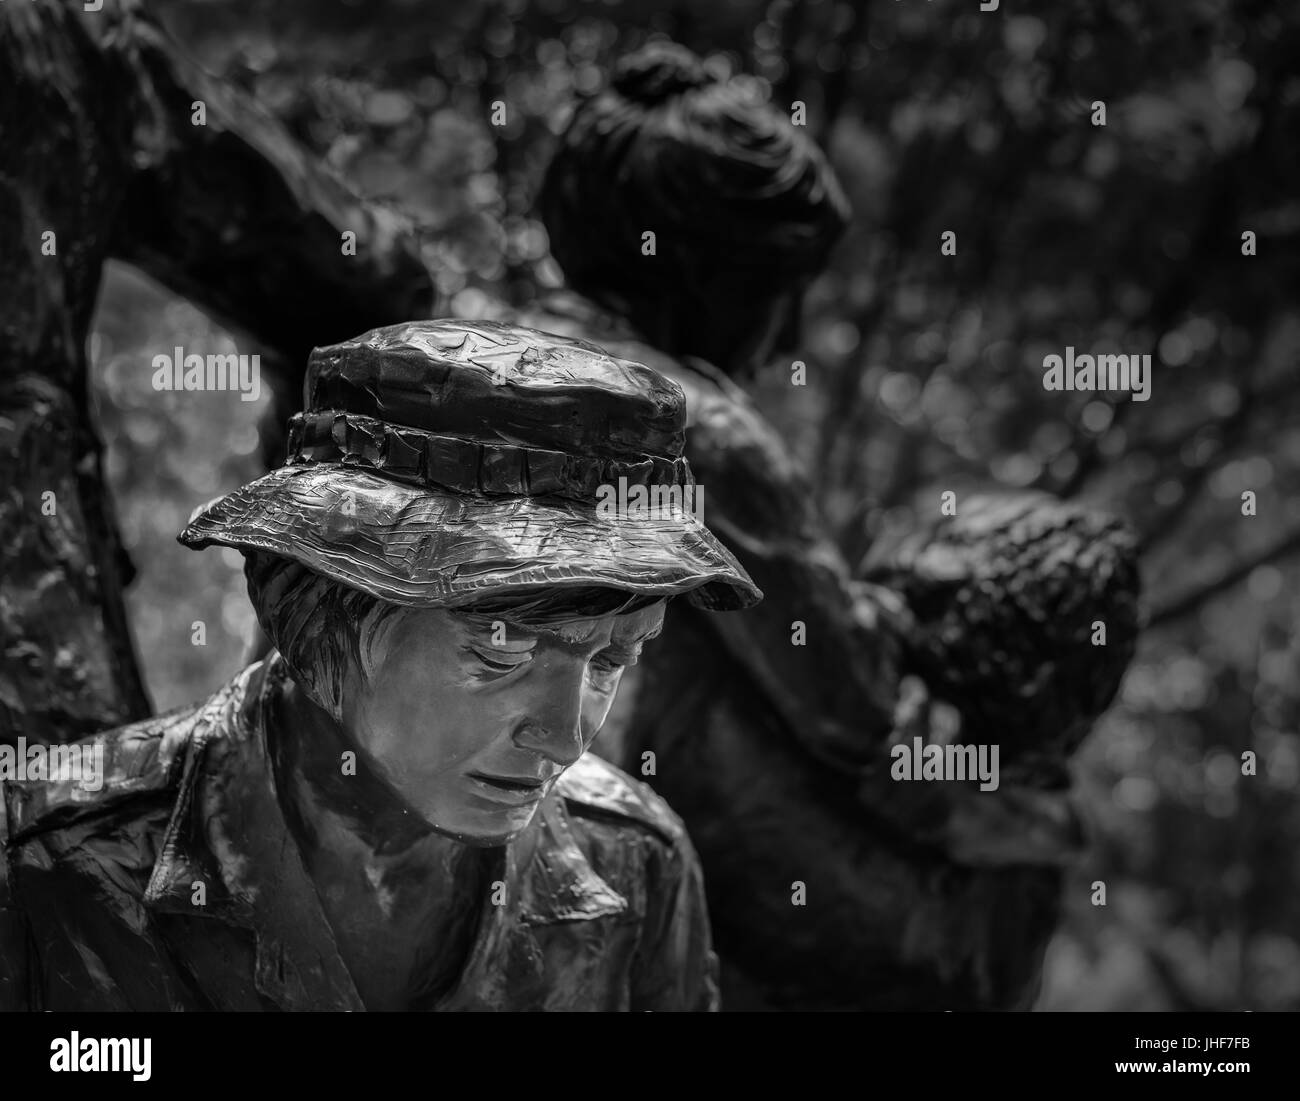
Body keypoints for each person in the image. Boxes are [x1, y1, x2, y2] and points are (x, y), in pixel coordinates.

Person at [495, 42, 1138, 1010]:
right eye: (778, 293)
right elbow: (858, 717)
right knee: (992, 914)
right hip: (619, 835)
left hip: (533, 796)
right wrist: (1029, 817)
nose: (788, 338)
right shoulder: (695, 430)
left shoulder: (496, 350)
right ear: (709, 275)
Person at [0, 319, 759, 1012]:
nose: (564, 741)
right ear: (329, 602)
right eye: (500, 650)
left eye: (611, 658)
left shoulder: (636, 867)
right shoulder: (45, 863)